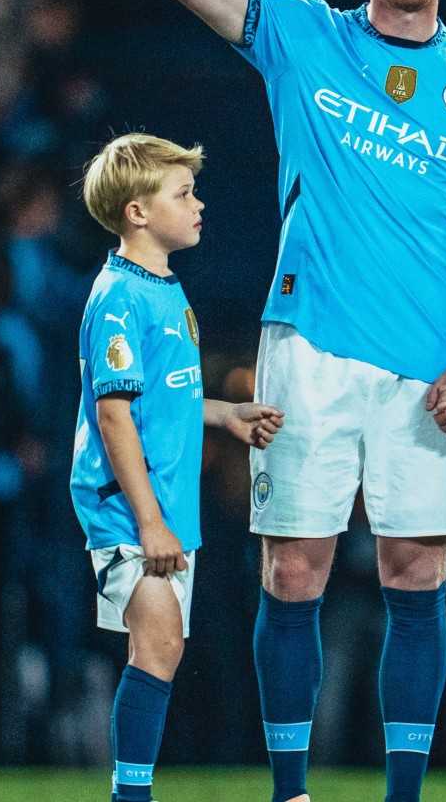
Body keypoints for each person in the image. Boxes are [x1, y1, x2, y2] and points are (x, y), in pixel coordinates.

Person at [113, 0, 446, 802]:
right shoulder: (302, 35)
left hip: (428, 361)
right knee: (292, 570)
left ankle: (402, 796)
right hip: (306, 349)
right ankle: (291, 789)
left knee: (416, 573)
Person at [70, 133, 284, 802]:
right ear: (137, 211)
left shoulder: (164, 289)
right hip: (129, 507)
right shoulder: (118, 297)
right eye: (183, 194)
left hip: (164, 506)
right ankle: (129, 796)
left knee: (160, 651)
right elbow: (113, 416)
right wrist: (149, 521)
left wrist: (224, 414)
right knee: (158, 648)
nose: (199, 205)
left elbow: (163, 399)